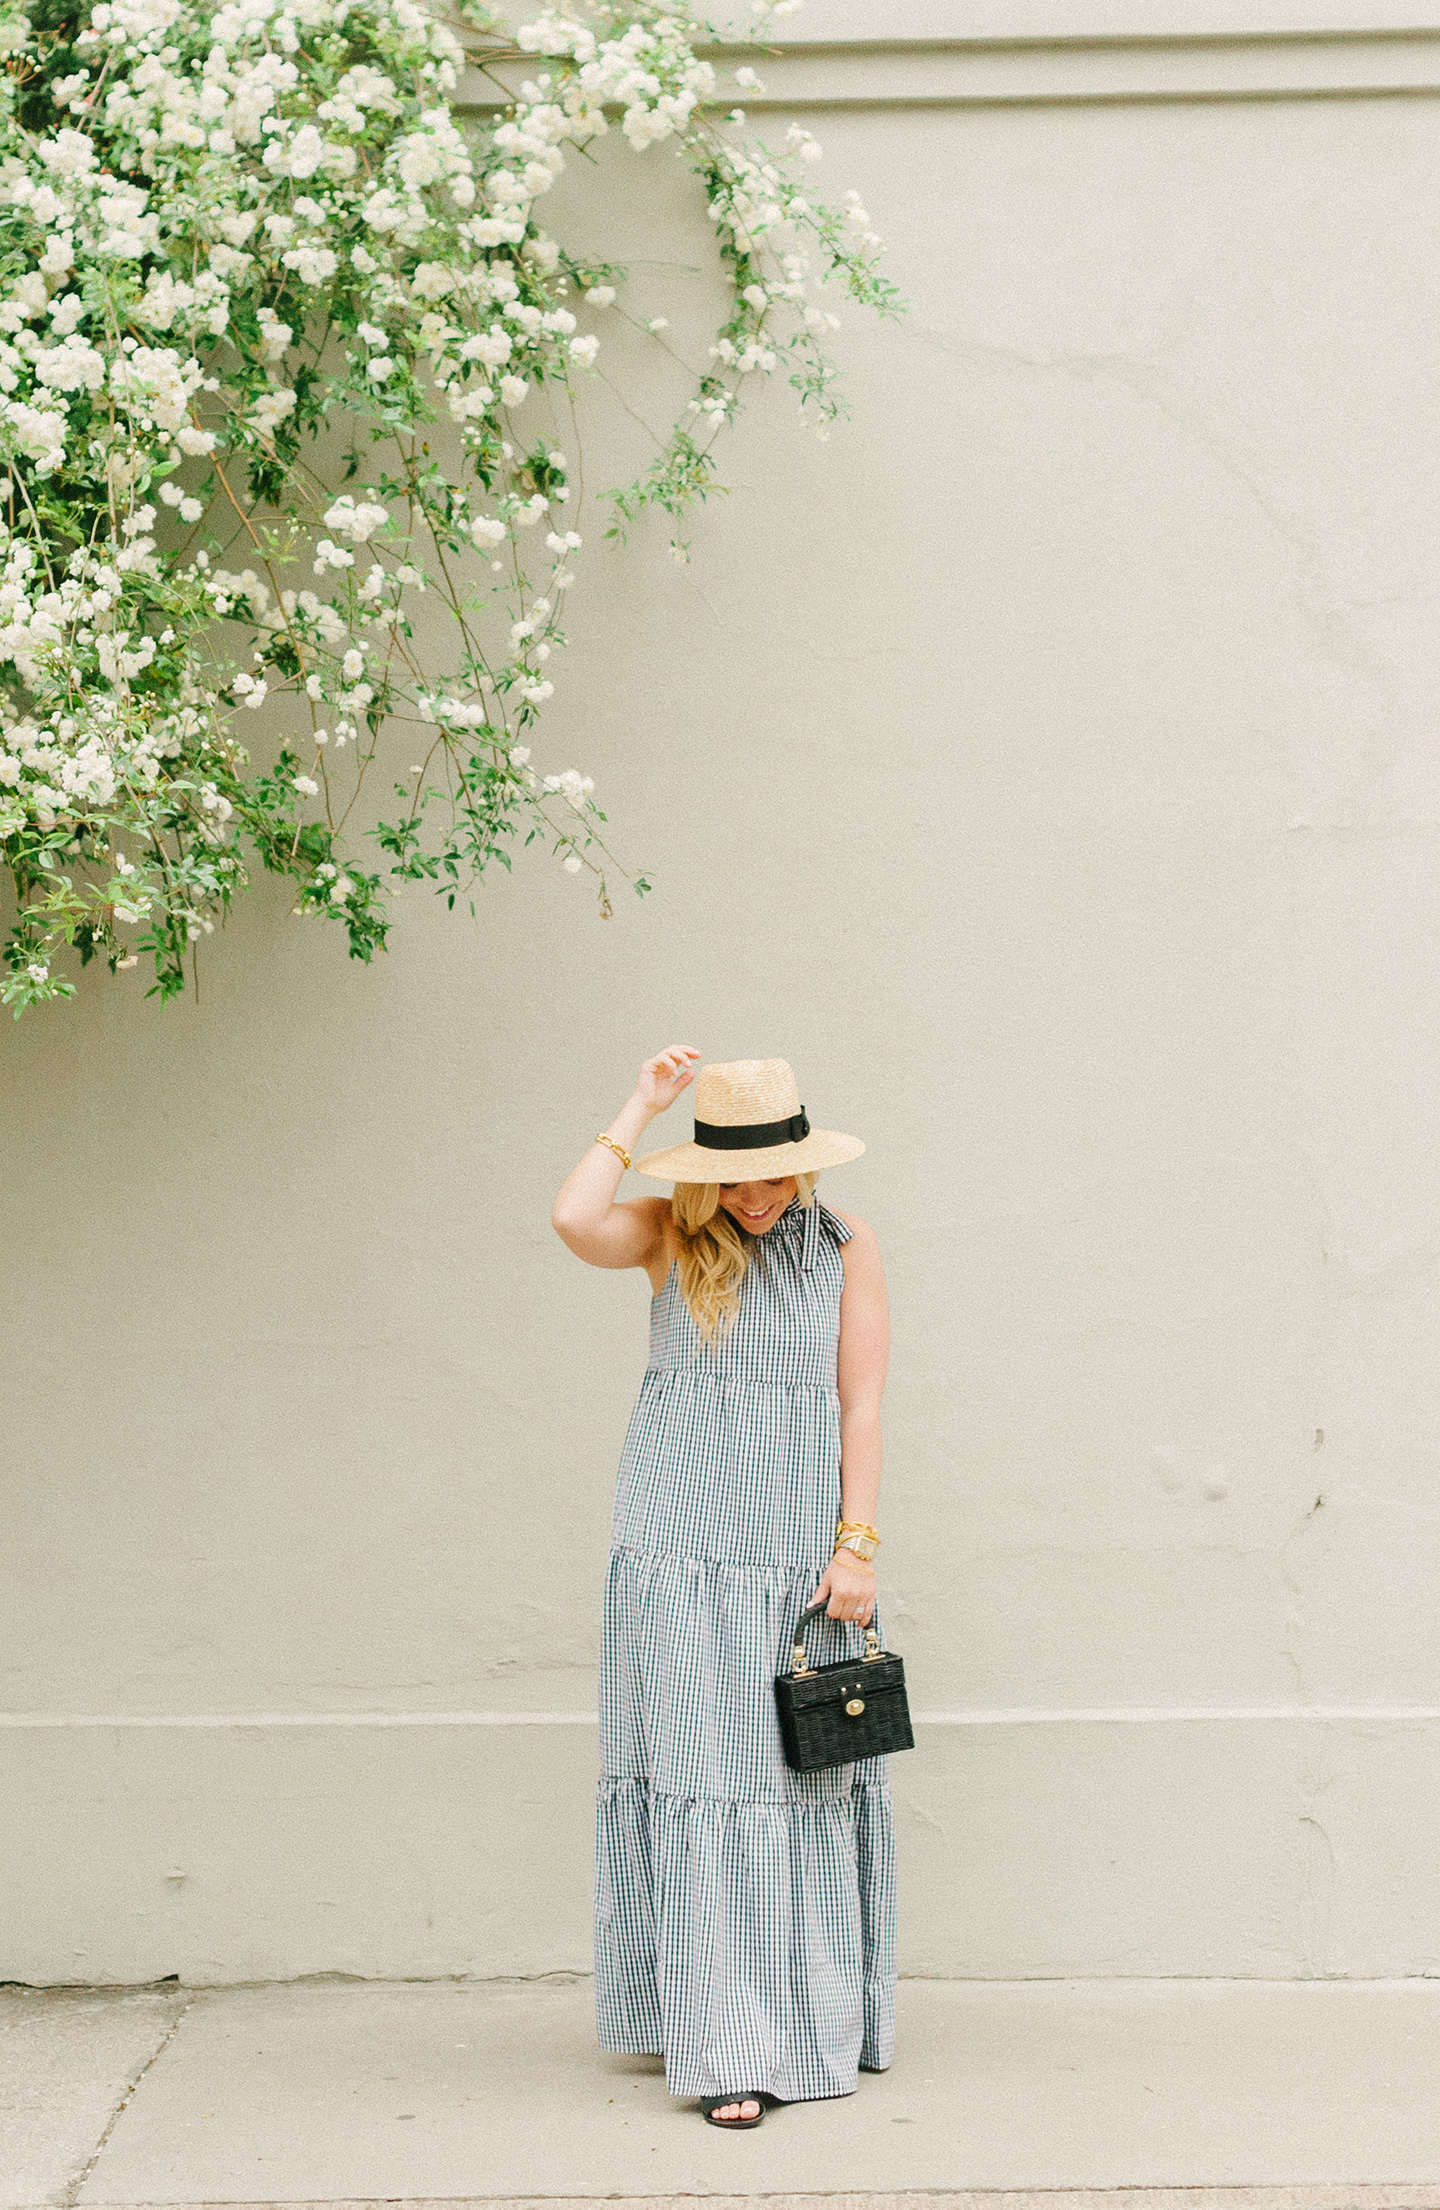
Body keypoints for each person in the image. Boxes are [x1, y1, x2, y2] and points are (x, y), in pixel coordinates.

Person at [551, 1047, 896, 2129]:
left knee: (798, 1783)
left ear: (805, 1166)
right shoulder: (667, 1237)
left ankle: (813, 2011)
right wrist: (640, 1106)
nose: (758, 1195)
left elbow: (863, 1409)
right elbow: (571, 1219)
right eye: (737, 1175)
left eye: (777, 1173)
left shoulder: (846, 1247)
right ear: (703, 1172)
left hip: (798, 1554)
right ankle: (728, 2041)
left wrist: (857, 1545)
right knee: (705, 1783)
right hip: (678, 1552)